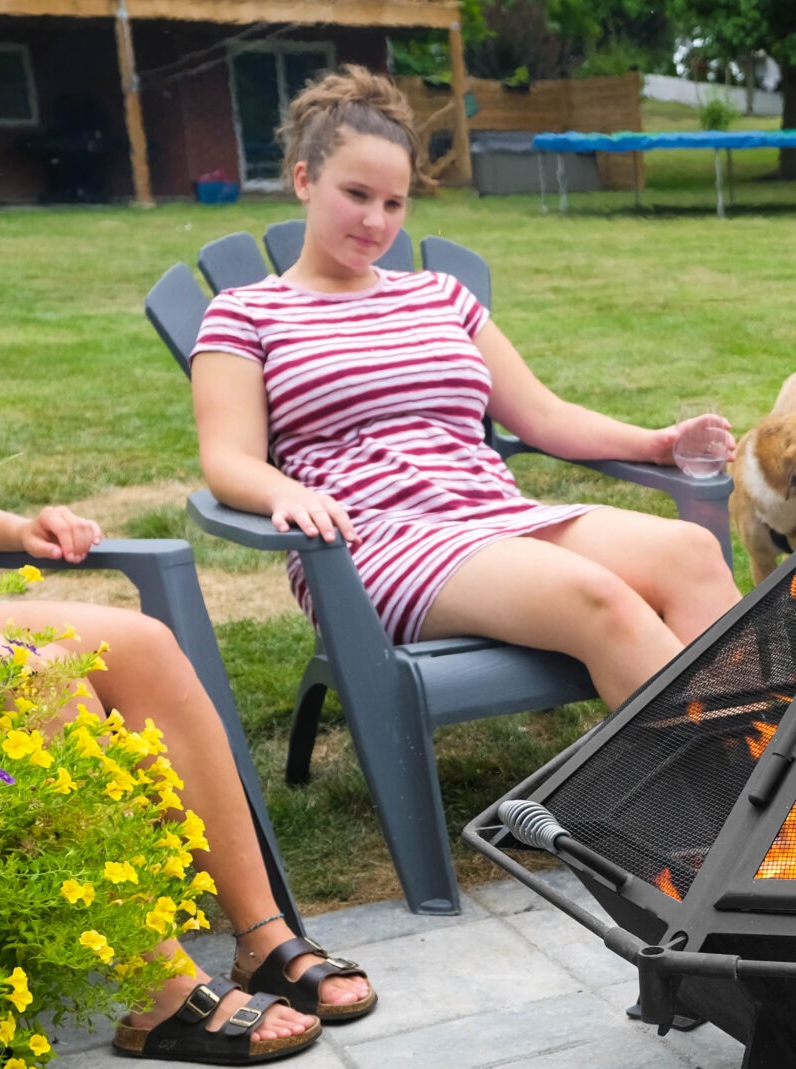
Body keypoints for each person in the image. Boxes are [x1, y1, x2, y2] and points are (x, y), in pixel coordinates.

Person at [0, 396, 376, 1064]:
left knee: (141, 644)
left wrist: (20, 528)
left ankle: (261, 938)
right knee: (38, 674)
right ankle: (163, 989)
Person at [190, 66, 740, 710]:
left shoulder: (439, 295)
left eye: (394, 203)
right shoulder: (247, 312)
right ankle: (724, 787)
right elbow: (227, 460)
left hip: (496, 515)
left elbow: (541, 415)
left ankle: (765, 760)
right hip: (374, 541)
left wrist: (657, 443)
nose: (376, 221)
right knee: (600, 598)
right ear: (305, 181)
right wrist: (286, 491)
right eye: (357, 194)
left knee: (692, 552)